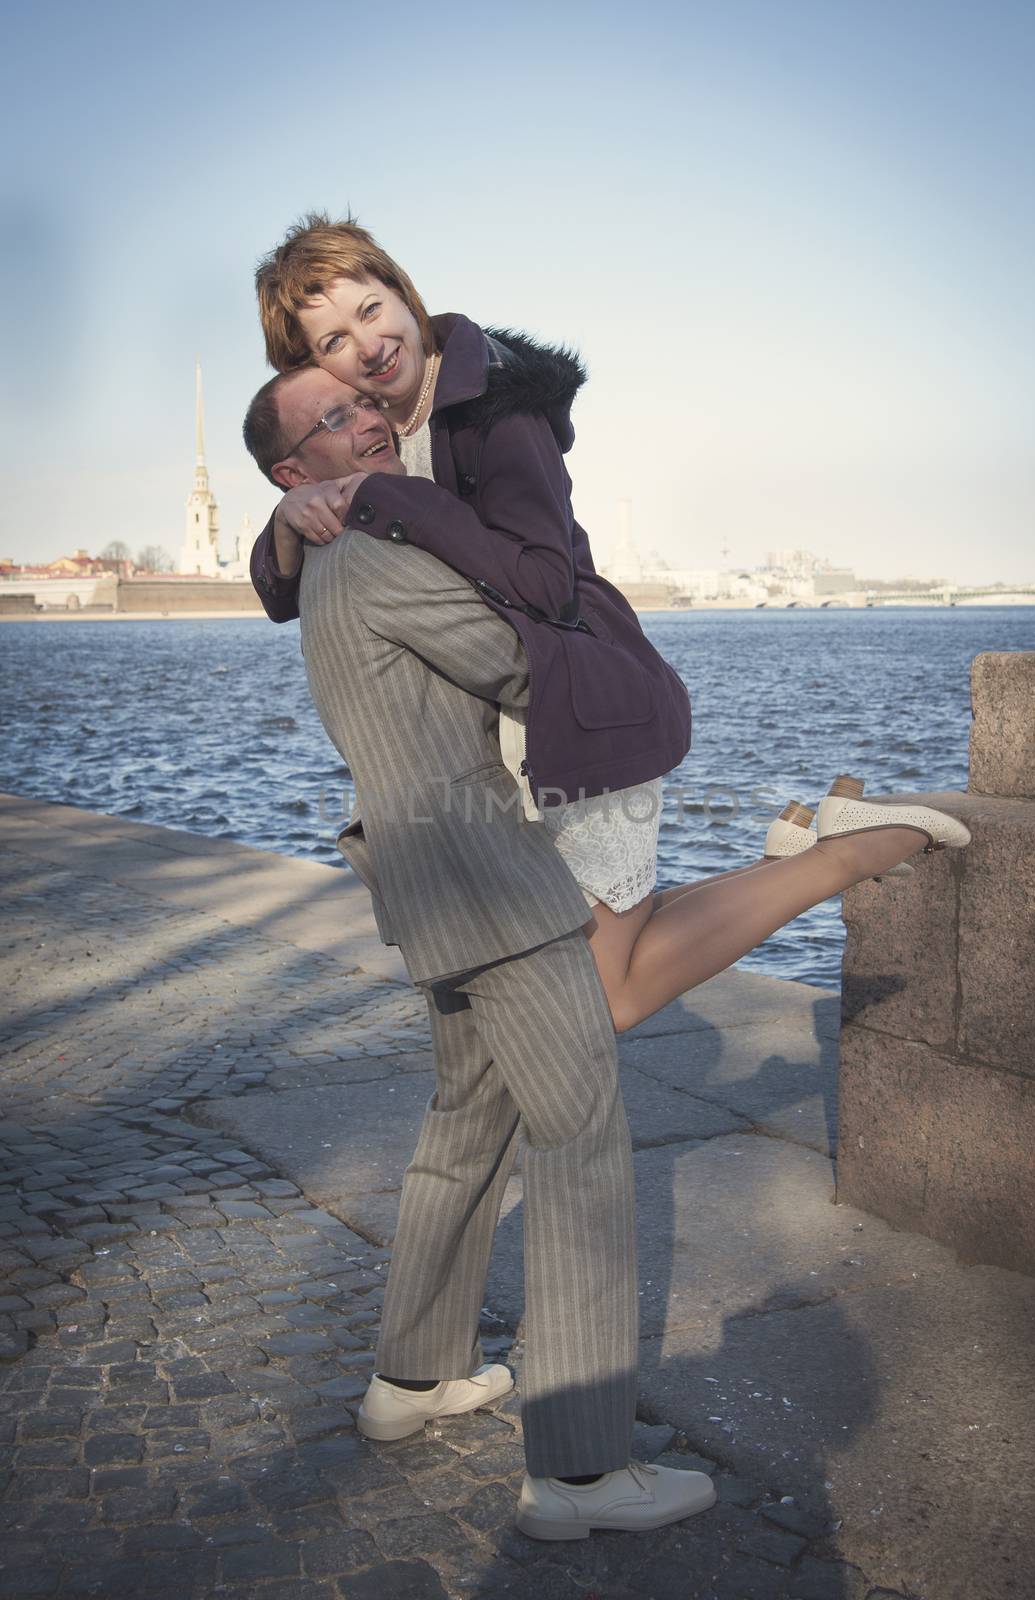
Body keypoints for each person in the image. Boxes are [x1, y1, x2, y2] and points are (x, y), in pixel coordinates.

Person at [243, 363, 970, 1544]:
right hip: (492, 882)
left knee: (465, 1122)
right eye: (333, 420)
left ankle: (409, 1382)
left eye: (366, 404)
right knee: (581, 1145)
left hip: (426, 882)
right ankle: (580, 1475)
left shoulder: (326, 557)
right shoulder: (376, 556)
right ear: (293, 472)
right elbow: (524, 659)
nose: (368, 419)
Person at [249, 215, 963, 1032]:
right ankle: (796, 852)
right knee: (592, 955)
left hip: (585, 708)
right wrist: (284, 520)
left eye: (371, 310)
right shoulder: (387, 432)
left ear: (403, 295)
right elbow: (284, 596)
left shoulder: (494, 414)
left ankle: (858, 850)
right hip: (520, 740)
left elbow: (546, 585)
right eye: (336, 340)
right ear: (316, 365)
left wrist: (390, 500)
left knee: (604, 1000)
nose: (367, 344)